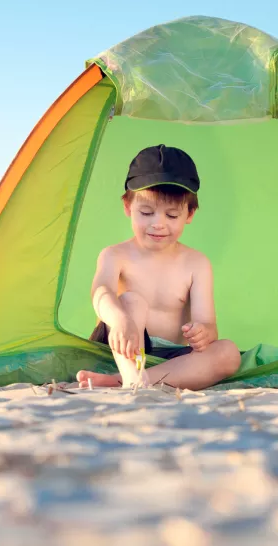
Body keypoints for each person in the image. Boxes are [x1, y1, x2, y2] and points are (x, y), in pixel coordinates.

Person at [76, 144, 241, 390]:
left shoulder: (197, 263)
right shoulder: (115, 255)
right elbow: (101, 293)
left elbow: (208, 324)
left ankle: (126, 382)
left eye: (172, 216)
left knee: (229, 353)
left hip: (171, 359)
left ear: (190, 214)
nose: (158, 224)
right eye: (146, 212)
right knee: (131, 300)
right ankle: (129, 374)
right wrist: (119, 319)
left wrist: (203, 333)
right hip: (120, 348)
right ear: (127, 207)